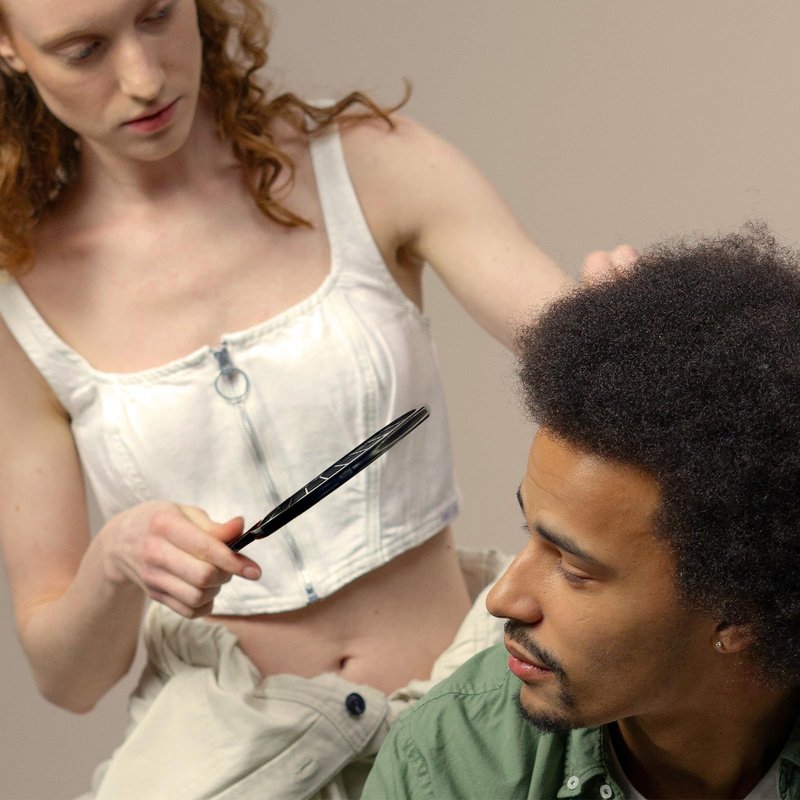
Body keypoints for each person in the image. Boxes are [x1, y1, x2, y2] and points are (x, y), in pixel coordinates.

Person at [0, 0, 618, 797]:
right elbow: (69, 679)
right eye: (83, 49)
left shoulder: (368, 165)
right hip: (230, 767)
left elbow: (589, 361)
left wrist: (627, 326)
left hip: (478, 733)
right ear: (9, 46)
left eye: (156, 14)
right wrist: (119, 555)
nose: (143, 77)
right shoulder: (21, 305)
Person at [363, 225, 800, 800]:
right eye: (528, 532)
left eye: (573, 569)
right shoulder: (450, 759)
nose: (502, 599)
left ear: (739, 613)